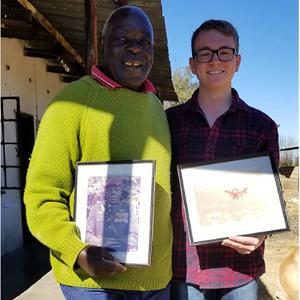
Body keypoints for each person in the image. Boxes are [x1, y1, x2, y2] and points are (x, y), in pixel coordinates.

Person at [24, 5, 172, 300]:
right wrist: (76, 251)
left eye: (144, 41)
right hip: (92, 286)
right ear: (104, 45)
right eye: (123, 40)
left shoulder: (157, 107)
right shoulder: (70, 104)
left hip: (155, 282)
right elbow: (42, 196)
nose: (135, 50)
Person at [166, 19, 279, 300]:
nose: (215, 60)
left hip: (239, 270)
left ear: (237, 61)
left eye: (224, 52)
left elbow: (270, 196)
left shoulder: (262, 126)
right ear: (192, 64)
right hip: (184, 266)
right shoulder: (168, 123)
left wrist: (263, 231)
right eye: (204, 52)